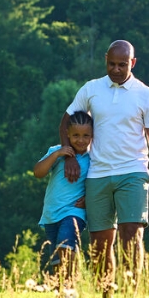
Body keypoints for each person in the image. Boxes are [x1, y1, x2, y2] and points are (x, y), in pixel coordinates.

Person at [60, 40, 149, 297]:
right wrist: (69, 157)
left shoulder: (145, 94)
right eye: (112, 64)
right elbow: (66, 122)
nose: (116, 69)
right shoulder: (91, 89)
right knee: (99, 242)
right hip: (98, 174)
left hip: (133, 172)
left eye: (122, 64)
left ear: (133, 63)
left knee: (131, 235)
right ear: (105, 60)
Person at [33, 111, 93, 280]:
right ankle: (61, 291)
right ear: (67, 134)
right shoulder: (56, 152)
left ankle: (70, 286)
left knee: (66, 246)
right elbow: (38, 172)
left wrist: (89, 200)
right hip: (51, 215)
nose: (80, 140)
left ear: (92, 136)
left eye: (85, 135)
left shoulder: (93, 158)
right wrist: (57, 155)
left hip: (74, 212)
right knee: (56, 259)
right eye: (75, 135)